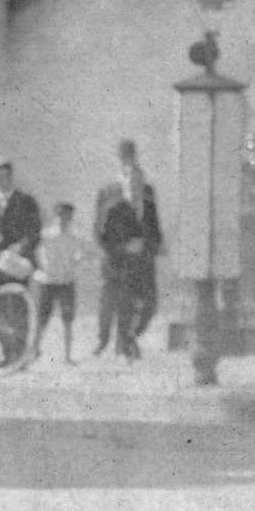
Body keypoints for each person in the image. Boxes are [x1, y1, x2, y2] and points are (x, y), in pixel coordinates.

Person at [94, 140, 163, 361]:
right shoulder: (108, 192)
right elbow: (99, 232)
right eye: (125, 157)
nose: (129, 163)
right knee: (122, 305)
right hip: (119, 260)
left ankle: (130, 337)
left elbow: (154, 225)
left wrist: (152, 245)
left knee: (150, 305)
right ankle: (122, 345)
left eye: (132, 157)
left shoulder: (148, 190)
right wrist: (121, 249)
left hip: (144, 258)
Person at [34, 202, 84, 362]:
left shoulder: (74, 236)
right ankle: (34, 349)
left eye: (67, 216)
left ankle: (67, 356)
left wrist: (74, 267)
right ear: (56, 216)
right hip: (49, 281)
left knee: (68, 320)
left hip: (66, 282)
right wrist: (44, 267)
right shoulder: (47, 235)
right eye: (61, 215)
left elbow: (79, 256)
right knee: (42, 318)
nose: (64, 219)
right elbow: (39, 252)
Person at [0, 157, 43, 266]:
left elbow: (35, 233)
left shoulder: (26, 200)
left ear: (10, 176)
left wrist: (20, 246)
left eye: (1, 176)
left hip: (21, 262)